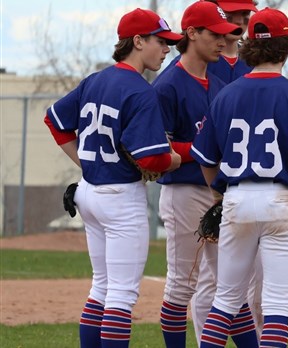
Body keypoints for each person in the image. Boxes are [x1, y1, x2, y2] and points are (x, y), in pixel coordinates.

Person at [43, 8, 182, 348]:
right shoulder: (139, 90)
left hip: (89, 191)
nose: (167, 50)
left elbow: (54, 121)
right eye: (161, 42)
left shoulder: (95, 80)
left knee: (101, 287)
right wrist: (175, 159)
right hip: (120, 198)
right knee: (120, 294)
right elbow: (152, 158)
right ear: (138, 41)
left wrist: (86, 163)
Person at [190, 8, 288, 347]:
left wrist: (221, 198)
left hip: (238, 197)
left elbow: (206, 159)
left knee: (225, 301)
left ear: (251, 45)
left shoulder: (226, 95)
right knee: (277, 306)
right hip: (283, 202)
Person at [151, 2, 259, 348]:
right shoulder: (168, 85)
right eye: (214, 34)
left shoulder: (215, 81)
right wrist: (201, 150)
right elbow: (159, 153)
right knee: (182, 285)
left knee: (231, 284)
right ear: (192, 33)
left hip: (216, 190)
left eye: (225, 35)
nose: (221, 41)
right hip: (184, 192)